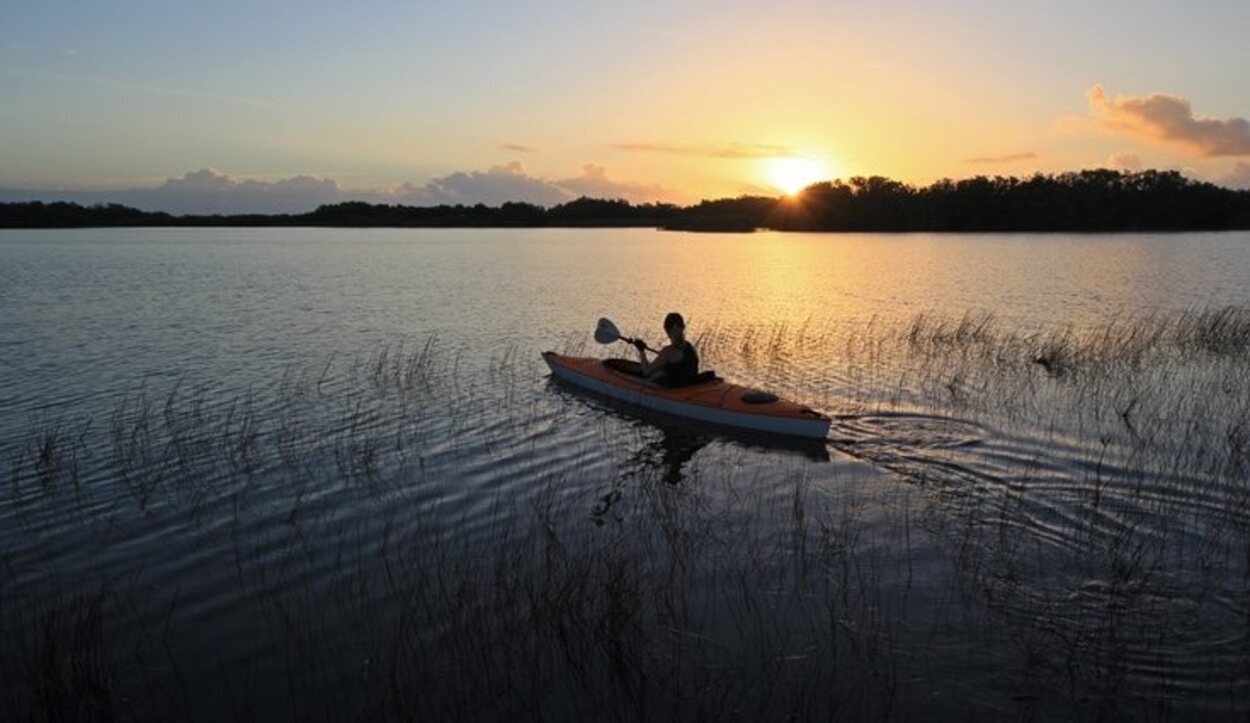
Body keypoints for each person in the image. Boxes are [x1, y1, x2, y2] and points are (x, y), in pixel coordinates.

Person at [633, 312, 700, 386]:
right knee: (661, 373)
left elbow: (647, 371)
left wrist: (641, 351)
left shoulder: (668, 352)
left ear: (667, 331)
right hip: (689, 386)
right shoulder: (690, 347)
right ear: (683, 327)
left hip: (677, 391)